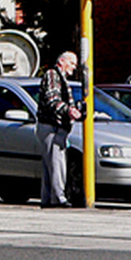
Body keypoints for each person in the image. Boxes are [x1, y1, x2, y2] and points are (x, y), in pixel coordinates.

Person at [37, 51, 82, 208]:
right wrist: (69, 111)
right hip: (51, 127)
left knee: (51, 163)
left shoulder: (61, 78)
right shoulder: (52, 75)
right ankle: (58, 198)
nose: (74, 68)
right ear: (62, 61)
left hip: (56, 127)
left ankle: (49, 198)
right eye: (72, 63)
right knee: (56, 163)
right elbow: (52, 99)